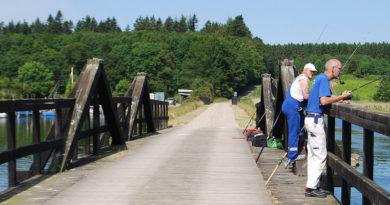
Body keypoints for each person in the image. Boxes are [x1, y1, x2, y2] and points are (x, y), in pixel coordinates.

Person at [304, 59, 351, 198]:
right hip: (315, 120)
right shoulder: (324, 79)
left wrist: (340, 98)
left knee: (313, 155)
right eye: (340, 69)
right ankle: (312, 188)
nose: (341, 71)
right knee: (320, 155)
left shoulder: (320, 79)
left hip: (310, 119)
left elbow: (327, 97)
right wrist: (341, 96)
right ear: (332, 68)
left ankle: (312, 186)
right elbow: (324, 100)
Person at [282, 63, 317, 168]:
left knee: (301, 130)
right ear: (305, 70)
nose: (312, 73)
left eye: (314, 72)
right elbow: (306, 96)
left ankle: (298, 149)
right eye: (311, 71)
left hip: (292, 106)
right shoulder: (304, 79)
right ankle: (292, 156)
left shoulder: (298, 78)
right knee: (295, 130)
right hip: (293, 107)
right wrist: (318, 98)